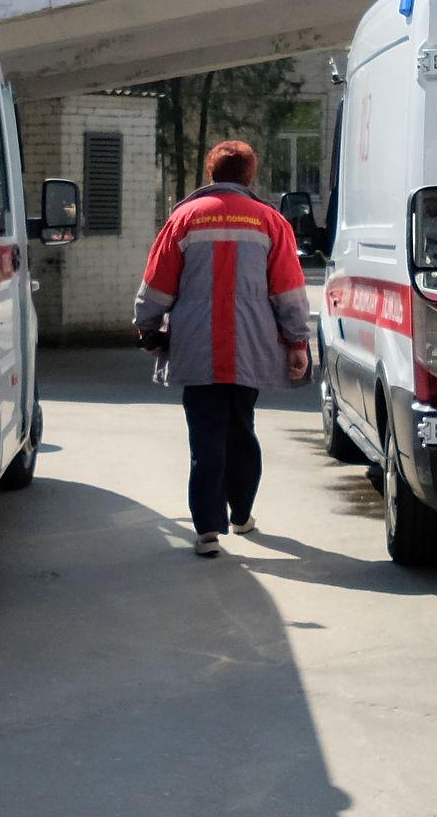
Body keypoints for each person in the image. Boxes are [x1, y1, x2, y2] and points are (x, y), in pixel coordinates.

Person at [133, 140, 312, 557]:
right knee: (241, 430)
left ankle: (207, 530)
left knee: (205, 436)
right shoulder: (270, 221)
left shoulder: (184, 219)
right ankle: (242, 514)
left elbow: (158, 283)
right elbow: (288, 290)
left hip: (196, 349)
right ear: (250, 175)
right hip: (251, 349)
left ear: (210, 173)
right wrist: (297, 341)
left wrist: (147, 327)